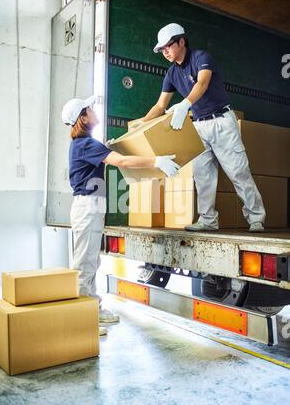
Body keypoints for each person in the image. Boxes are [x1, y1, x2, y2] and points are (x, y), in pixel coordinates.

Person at [61, 95, 179, 336]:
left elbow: (108, 155)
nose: (94, 111)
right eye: (89, 109)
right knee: (84, 264)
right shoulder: (85, 144)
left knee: (92, 261)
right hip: (87, 206)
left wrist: (108, 146)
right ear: (82, 118)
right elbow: (123, 162)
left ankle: (92, 307)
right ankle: (83, 319)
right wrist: (157, 160)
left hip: (92, 207)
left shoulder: (86, 144)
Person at [137, 23, 266, 232]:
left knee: (238, 172)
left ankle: (256, 218)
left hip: (221, 122)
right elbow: (160, 105)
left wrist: (184, 105)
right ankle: (208, 220)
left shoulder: (201, 58)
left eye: (168, 46)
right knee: (203, 177)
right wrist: (137, 127)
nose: (165, 52)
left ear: (181, 41)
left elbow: (202, 83)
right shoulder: (171, 73)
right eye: (162, 49)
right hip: (198, 127)